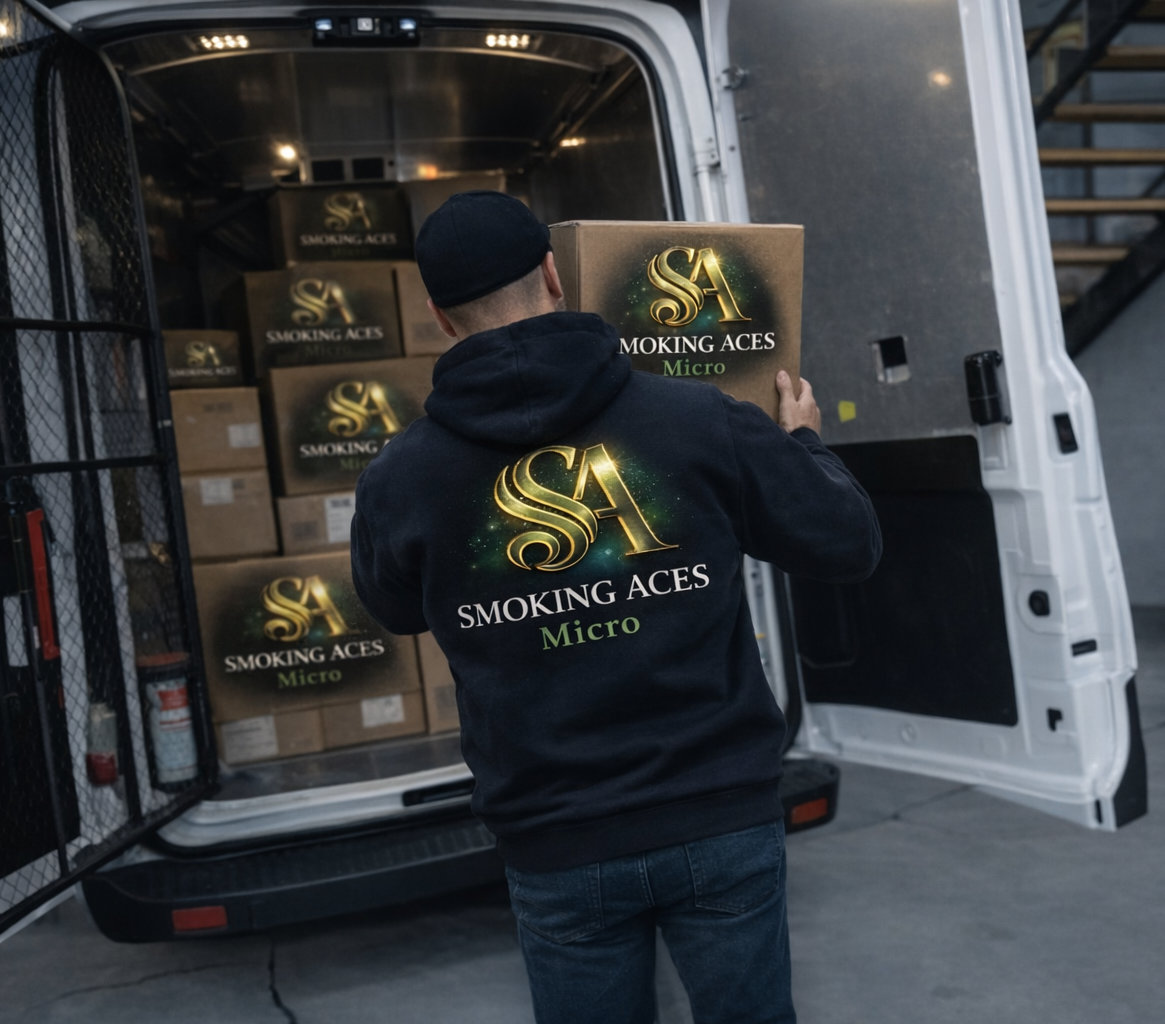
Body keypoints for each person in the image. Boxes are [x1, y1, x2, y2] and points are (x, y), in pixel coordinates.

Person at [351, 192, 881, 1024]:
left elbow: (394, 609)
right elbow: (847, 542)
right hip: (717, 810)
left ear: (439, 316)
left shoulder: (401, 479)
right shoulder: (698, 417)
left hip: (556, 835)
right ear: (554, 274)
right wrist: (802, 443)